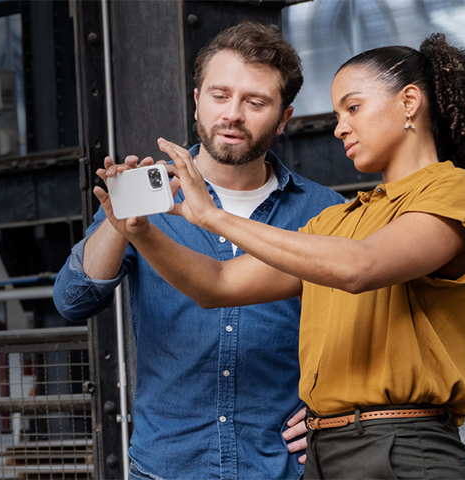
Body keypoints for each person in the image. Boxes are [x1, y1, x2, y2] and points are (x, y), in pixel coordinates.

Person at [93, 33, 465, 479]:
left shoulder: (456, 192)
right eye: (337, 114)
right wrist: (141, 232)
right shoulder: (338, 220)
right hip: (324, 452)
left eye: (353, 107)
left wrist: (212, 217)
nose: (339, 126)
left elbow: (359, 266)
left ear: (408, 102)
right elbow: (218, 285)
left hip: (402, 446)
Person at [53, 21, 344, 480]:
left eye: (255, 102)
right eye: (219, 95)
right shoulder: (146, 194)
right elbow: (73, 300)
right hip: (167, 465)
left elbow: (357, 332)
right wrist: (121, 223)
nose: (233, 114)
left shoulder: (325, 212)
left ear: (283, 118)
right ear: (196, 102)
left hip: (279, 468)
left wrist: (332, 415)